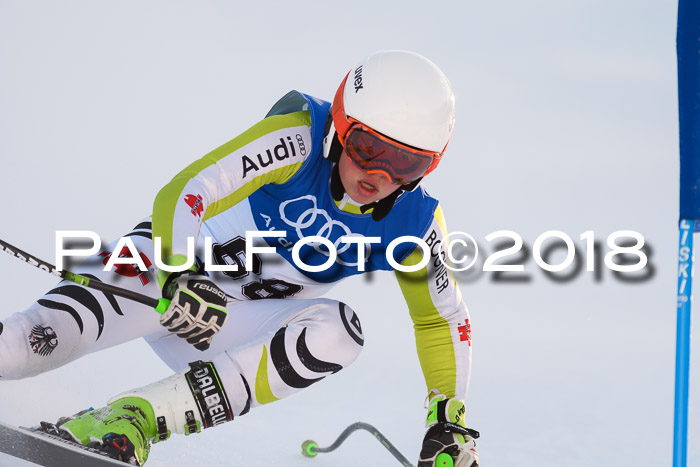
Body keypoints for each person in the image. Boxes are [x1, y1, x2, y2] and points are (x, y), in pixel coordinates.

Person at [0, 50, 478, 467]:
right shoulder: (299, 137)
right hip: (157, 278)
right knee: (22, 348)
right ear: (341, 125)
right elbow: (186, 192)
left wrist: (448, 419)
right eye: (368, 147)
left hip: (226, 324)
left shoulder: (413, 224)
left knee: (339, 334)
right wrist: (179, 274)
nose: (379, 173)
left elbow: (442, 321)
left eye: (405, 163)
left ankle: (133, 419)